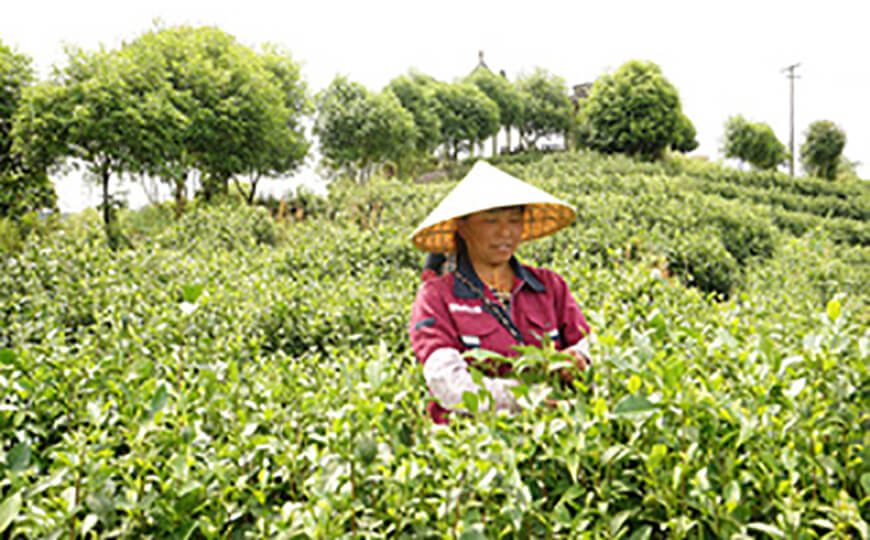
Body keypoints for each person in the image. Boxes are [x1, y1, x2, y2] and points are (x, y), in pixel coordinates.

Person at [408, 161, 591, 424]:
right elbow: (447, 383)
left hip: (555, 435)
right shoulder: (436, 297)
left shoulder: (550, 286)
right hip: (473, 446)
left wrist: (579, 358)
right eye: (490, 220)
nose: (505, 232)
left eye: (514, 220)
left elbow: (585, 341)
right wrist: (525, 397)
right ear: (463, 226)